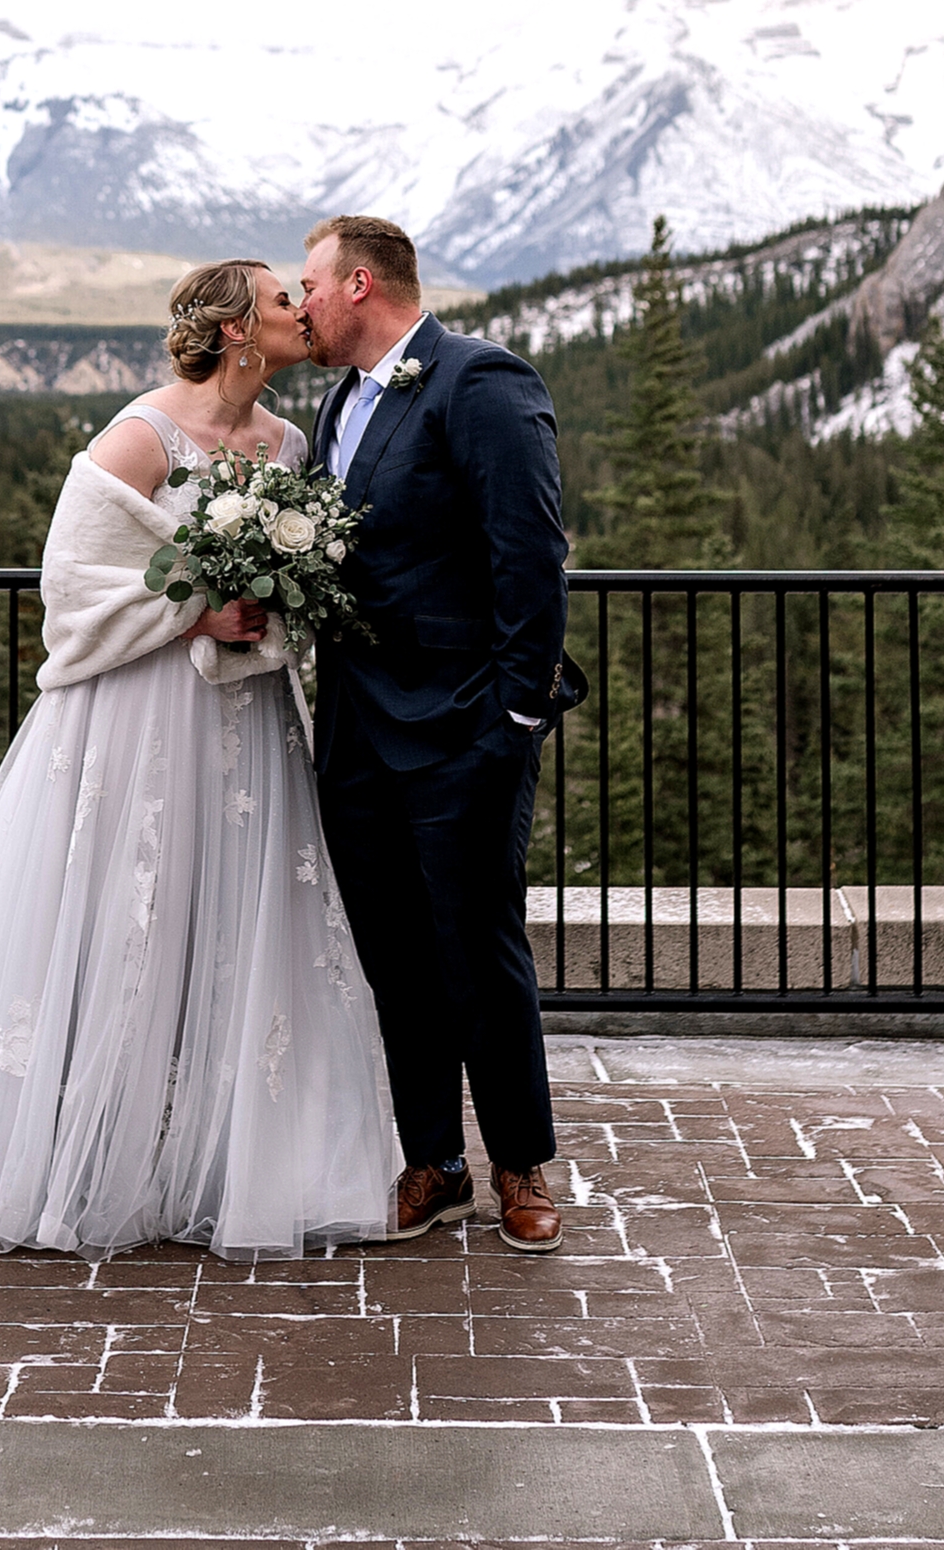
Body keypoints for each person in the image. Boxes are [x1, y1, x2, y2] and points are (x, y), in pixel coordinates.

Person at [0, 259, 395, 1261]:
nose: (302, 309)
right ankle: (82, 1154)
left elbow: (282, 584)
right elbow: (72, 587)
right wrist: (194, 610)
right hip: (136, 715)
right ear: (231, 330)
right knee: (119, 918)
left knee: (228, 922)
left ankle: (216, 1156)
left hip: (244, 716)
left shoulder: (287, 442)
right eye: (279, 300)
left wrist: (260, 613)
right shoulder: (140, 435)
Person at [298, 215, 585, 1253]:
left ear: (361, 283)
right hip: (358, 733)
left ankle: (520, 1162)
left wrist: (513, 716)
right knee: (394, 955)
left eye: (310, 284)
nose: (302, 305)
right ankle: (433, 1160)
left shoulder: (479, 382)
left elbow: (529, 558)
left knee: (478, 950)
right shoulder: (336, 400)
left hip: (464, 728)